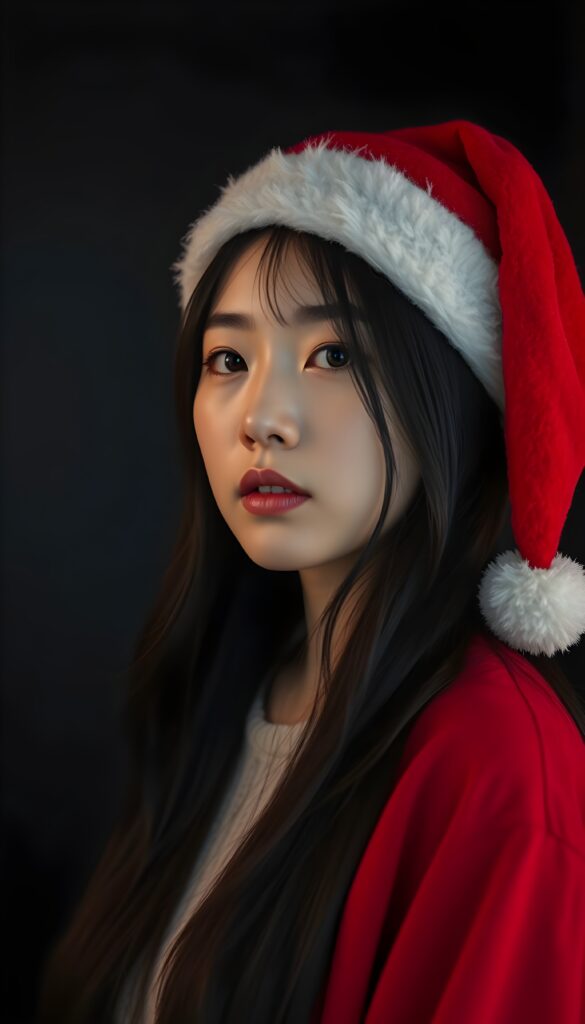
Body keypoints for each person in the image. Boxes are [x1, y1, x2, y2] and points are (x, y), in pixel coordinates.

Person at [38, 119, 585, 1023]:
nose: (262, 417)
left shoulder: (499, 777)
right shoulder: (224, 690)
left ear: (444, 395)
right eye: (228, 358)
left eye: (332, 354)